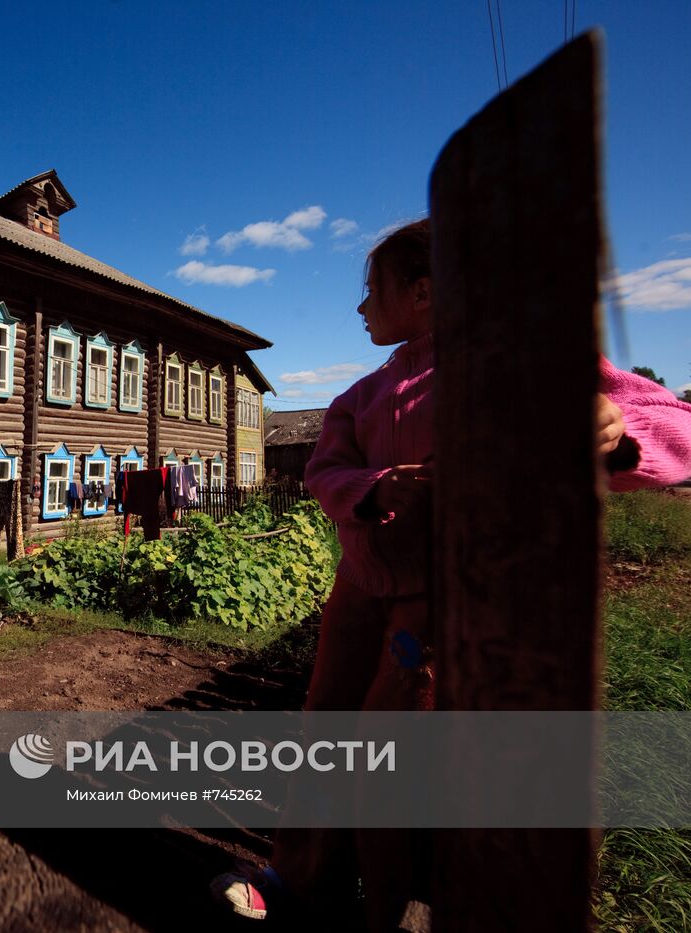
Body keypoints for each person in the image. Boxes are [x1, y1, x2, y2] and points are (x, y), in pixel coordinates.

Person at [212, 218, 691, 929]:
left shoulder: (523, 363)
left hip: (457, 606)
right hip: (361, 591)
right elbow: (323, 470)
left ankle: (412, 904)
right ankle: (299, 876)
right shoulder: (361, 395)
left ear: (427, 291)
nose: (361, 306)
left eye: (372, 290)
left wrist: (616, 427)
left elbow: (676, 422)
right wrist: (373, 487)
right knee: (327, 728)